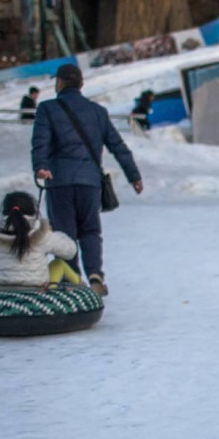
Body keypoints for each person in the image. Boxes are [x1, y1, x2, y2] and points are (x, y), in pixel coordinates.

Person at [31, 63, 143, 297]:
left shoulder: (47, 109)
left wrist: (41, 167)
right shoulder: (98, 112)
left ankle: (73, 282)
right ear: (81, 84)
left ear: (59, 83)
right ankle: (95, 275)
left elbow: (40, 142)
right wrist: (134, 176)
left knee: (64, 234)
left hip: (59, 181)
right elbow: (117, 146)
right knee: (91, 230)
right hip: (90, 183)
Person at [0, 190, 81, 286]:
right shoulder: (41, 233)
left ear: (4, 211)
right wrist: (57, 234)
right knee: (59, 264)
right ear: (32, 210)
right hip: (37, 288)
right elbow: (70, 252)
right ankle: (82, 288)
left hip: (1, 286)